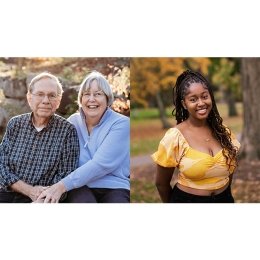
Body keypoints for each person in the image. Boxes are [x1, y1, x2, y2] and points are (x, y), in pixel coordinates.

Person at [37, 71, 130, 203]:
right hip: (79, 186)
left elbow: (100, 165)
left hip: (114, 185)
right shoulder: (72, 122)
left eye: (98, 94)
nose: (91, 99)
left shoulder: (122, 124)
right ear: (81, 99)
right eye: (87, 94)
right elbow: (53, 155)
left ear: (107, 99)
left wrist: (60, 186)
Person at [152, 70, 240, 203]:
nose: (201, 103)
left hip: (225, 198)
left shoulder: (223, 132)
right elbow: (161, 183)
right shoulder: (175, 137)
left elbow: (230, 170)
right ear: (184, 104)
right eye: (193, 99)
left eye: (204, 96)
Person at [0, 72, 79, 203]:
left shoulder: (67, 131)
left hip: (42, 200)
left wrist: (41, 200)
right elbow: (1, 164)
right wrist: (29, 190)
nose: (46, 100)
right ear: (29, 97)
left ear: (58, 101)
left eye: (52, 95)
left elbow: (65, 177)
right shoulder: (15, 124)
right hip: (6, 192)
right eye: (40, 94)